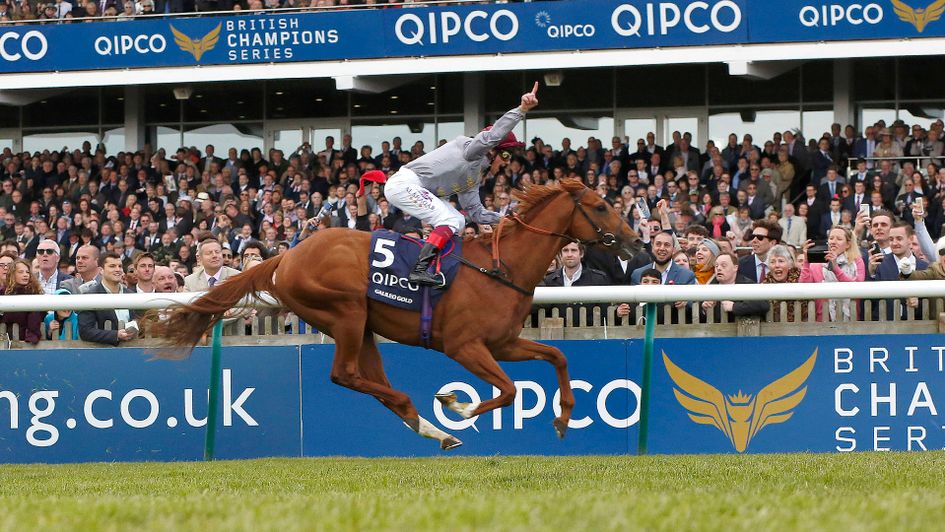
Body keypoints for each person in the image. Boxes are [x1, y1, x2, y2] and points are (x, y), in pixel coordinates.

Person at [384, 83, 539, 286]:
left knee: (459, 220)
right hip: (404, 184)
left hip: (412, 187)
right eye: (505, 155)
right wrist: (522, 110)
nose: (507, 162)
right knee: (449, 219)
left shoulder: (473, 178)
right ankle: (419, 270)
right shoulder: (472, 151)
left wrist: (508, 219)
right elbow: (494, 135)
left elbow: (476, 213)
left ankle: (437, 265)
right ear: (492, 151)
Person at [800, 227, 865, 322]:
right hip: (823, 320)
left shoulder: (857, 261)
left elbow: (857, 289)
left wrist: (835, 269)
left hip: (851, 320)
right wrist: (806, 261)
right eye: (831, 238)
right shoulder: (817, 263)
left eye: (839, 239)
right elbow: (803, 288)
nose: (833, 242)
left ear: (848, 244)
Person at [78, 252, 138, 346]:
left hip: (134, 349)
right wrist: (115, 335)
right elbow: (85, 331)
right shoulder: (90, 296)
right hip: (103, 351)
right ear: (101, 270)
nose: (118, 270)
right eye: (112, 266)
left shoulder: (132, 295)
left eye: (120, 266)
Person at [701, 252, 770, 321]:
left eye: (723, 265)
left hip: (743, 327)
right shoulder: (709, 288)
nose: (719, 268)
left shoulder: (747, 284)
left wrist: (734, 307)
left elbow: (763, 304)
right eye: (716, 266)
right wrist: (704, 309)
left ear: (735, 268)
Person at [1, 258, 44, 344]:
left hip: (28, 341)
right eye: (21, 272)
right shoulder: (3, 292)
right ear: (12, 274)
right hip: (6, 339)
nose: (25, 275)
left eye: (27, 272)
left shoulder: (34, 293)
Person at [762, 245, 806, 323]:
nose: (777, 265)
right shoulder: (764, 285)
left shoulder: (801, 280)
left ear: (789, 264)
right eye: (772, 262)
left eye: (781, 261)